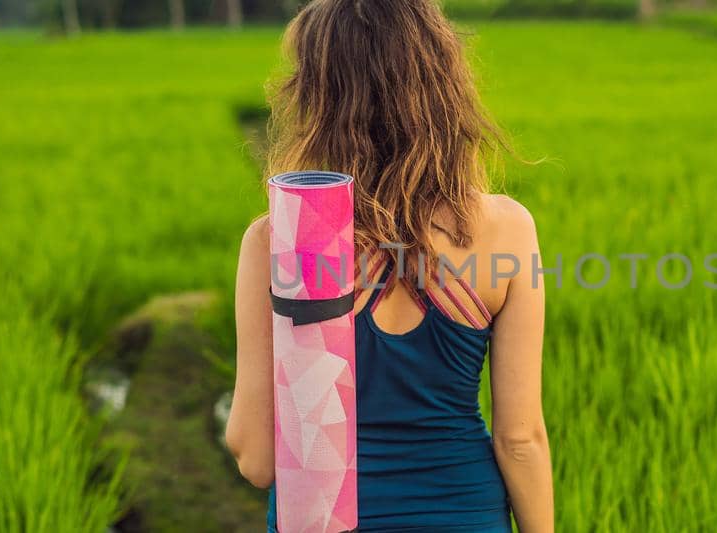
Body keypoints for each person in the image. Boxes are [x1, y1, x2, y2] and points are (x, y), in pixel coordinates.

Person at [221, 1, 553, 531]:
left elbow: (257, 459)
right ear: (444, 82)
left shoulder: (277, 241)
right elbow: (521, 439)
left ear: (315, 94)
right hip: (466, 513)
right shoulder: (508, 230)